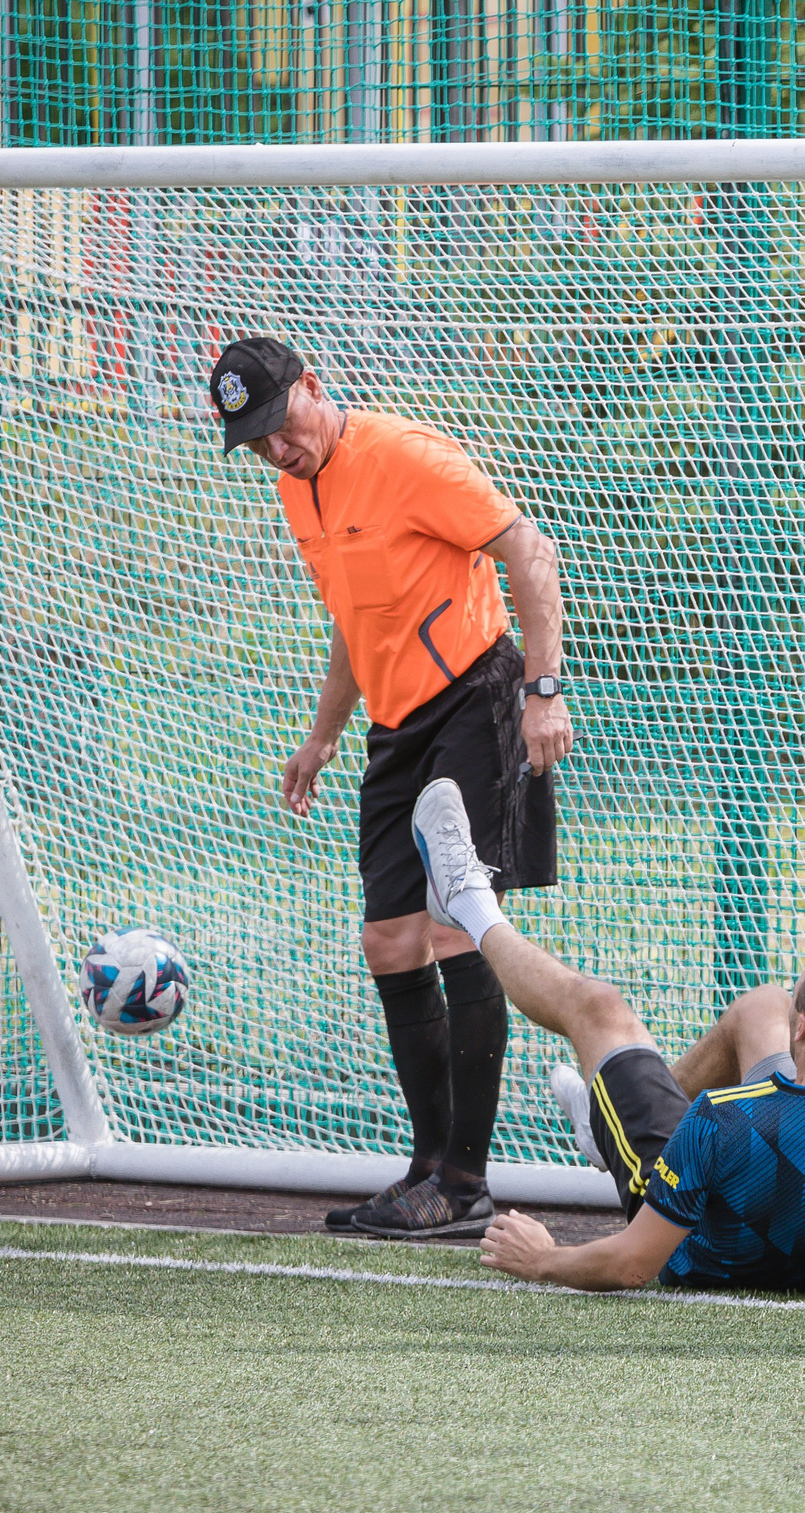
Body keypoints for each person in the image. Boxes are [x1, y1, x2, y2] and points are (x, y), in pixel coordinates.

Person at [212, 336, 573, 1240]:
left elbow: (530, 550)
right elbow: (352, 615)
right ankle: (426, 1172)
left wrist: (542, 688)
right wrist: (322, 736)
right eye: (254, 441)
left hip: (478, 695)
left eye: (279, 426)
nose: (275, 451)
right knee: (388, 940)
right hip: (394, 725)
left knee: (457, 921)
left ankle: (465, 1180)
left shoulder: (405, 456)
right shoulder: (296, 488)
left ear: (313, 388)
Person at [407, 777, 805, 1299]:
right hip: (796, 1202)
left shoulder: (718, 1118)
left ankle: (465, 899)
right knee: (759, 1004)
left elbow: (635, 1264)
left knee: (598, 1008)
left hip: (695, 1254)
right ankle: (605, 1114)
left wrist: (543, 1259)